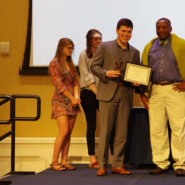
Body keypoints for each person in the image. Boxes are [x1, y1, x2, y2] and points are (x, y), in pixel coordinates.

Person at [140, 18, 185, 176]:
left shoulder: (181, 44)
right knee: (157, 130)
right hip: (155, 90)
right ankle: (161, 164)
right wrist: (142, 92)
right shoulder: (150, 46)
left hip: (175, 90)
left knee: (178, 129)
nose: (161, 30)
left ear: (170, 28)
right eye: (158, 27)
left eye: (164, 27)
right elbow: (143, 71)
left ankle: (180, 165)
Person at [91, 18, 140, 176]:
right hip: (107, 94)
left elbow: (136, 74)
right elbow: (94, 66)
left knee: (122, 132)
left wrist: (137, 81)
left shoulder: (135, 52)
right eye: (123, 31)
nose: (126, 34)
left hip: (125, 94)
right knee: (105, 132)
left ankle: (118, 164)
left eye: (129, 32)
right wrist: (106, 73)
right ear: (117, 30)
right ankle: (102, 165)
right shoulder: (105, 46)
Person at [49, 38, 81, 171]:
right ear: (61, 48)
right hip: (60, 101)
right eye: (68, 47)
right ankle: (54, 161)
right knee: (64, 131)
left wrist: (77, 96)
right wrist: (71, 97)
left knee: (69, 133)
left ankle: (64, 161)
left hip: (73, 101)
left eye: (72, 48)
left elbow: (75, 82)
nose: (71, 50)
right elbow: (58, 84)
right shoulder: (54, 63)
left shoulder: (71, 64)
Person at [78, 29, 102, 169]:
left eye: (100, 38)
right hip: (88, 92)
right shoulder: (83, 54)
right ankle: (92, 157)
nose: (98, 41)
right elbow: (86, 75)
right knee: (91, 125)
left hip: (102, 92)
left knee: (107, 124)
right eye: (95, 39)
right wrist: (96, 91)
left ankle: (112, 156)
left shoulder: (103, 53)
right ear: (89, 40)